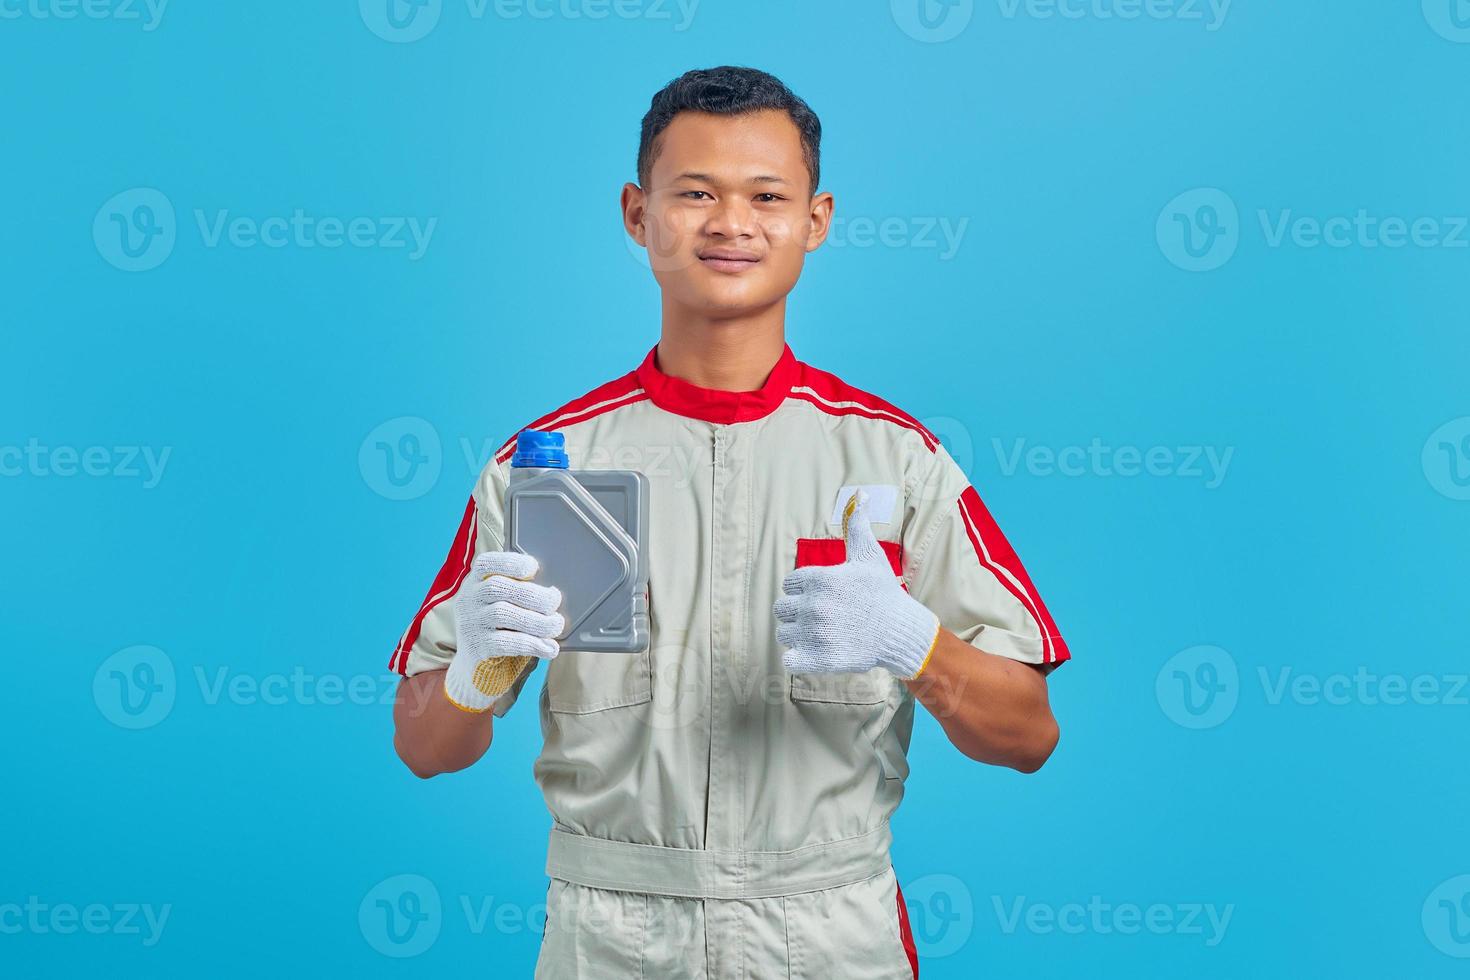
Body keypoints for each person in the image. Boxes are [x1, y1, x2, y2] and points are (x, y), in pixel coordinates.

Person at [389, 65, 1069, 979]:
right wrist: (473, 672)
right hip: (610, 934)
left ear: (815, 220)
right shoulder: (545, 466)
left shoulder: (896, 461)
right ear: (638, 213)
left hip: (829, 932)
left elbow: (1030, 736)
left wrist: (915, 642)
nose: (731, 223)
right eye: (695, 193)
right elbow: (424, 747)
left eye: (766, 196)